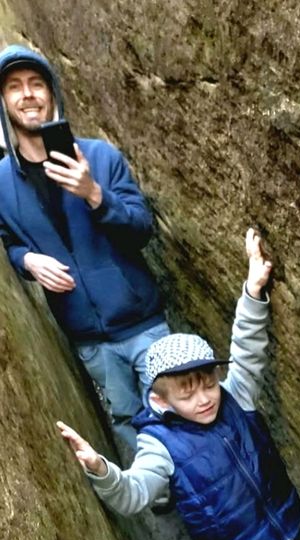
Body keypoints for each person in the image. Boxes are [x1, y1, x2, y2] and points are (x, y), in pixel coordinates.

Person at [59, 229, 300, 540]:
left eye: (207, 384)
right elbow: (133, 493)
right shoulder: (160, 445)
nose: (204, 399)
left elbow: (247, 347)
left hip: (286, 526)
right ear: (160, 399)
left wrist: (252, 289)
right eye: (187, 392)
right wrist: (102, 469)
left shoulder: (235, 396)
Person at [0, 44, 168, 449]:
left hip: (144, 323)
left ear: (52, 93)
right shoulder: (1, 182)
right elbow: (8, 242)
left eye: (37, 84)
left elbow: (141, 229)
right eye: (14, 87)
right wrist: (28, 261)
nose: (28, 95)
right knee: (128, 423)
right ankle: (158, 503)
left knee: (176, 414)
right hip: (89, 338)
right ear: (3, 102)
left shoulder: (98, 155)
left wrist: (95, 194)